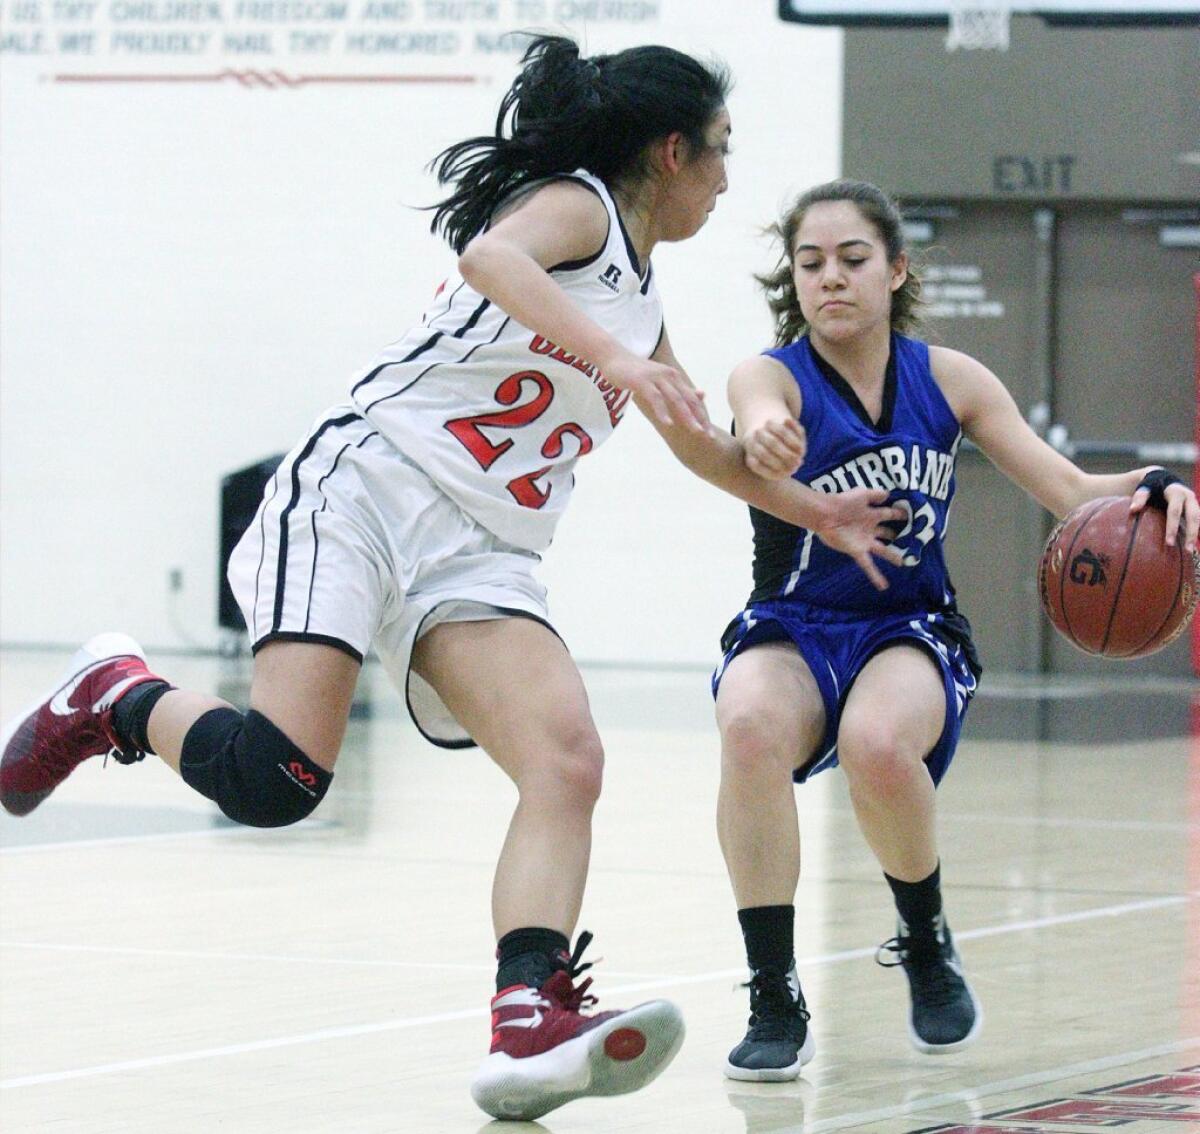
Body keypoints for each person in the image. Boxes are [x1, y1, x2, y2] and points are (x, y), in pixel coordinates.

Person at [0, 42, 905, 1122]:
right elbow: (490, 258)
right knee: (277, 782)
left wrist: (817, 510)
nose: (724, 178)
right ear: (670, 153)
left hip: (479, 555)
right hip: (364, 490)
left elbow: (699, 445)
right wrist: (612, 363)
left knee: (567, 760)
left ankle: (528, 1016)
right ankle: (115, 695)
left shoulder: (643, 308)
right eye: (718, 155)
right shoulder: (575, 209)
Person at [712, 178, 1199, 1081]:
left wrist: (1150, 485)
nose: (831, 279)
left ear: (896, 269)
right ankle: (772, 990)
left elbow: (1066, 491)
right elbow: (758, 419)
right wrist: (771, 437)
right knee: (745, 727)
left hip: (909, 624)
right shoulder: (770, 376)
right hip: (793, 620)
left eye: (853, 260)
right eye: (810, 263)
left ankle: (924, 934)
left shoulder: (951, 379)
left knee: (879, 744)